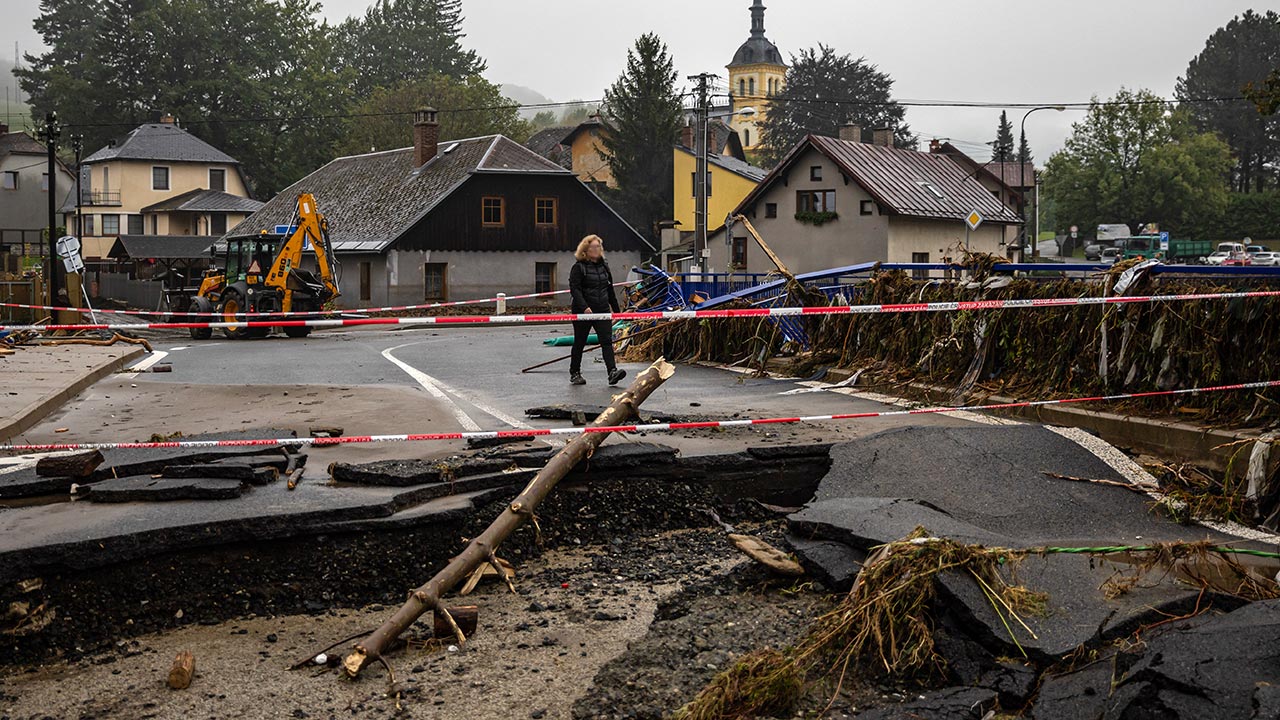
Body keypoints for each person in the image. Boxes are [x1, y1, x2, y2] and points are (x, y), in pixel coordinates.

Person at [568, 234, 625, 386]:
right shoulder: (578, 267)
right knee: (580, 341)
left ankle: (612, 372)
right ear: (585, 250)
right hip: (583, 311)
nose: (596, 249)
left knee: (606, 341)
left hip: (602, 309)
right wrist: (584, 307)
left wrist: (617, 311)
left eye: (598, 246)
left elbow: (609, 289)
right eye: (593, 247)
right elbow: (575, 289)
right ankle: (575, 372)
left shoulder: (604, 267)